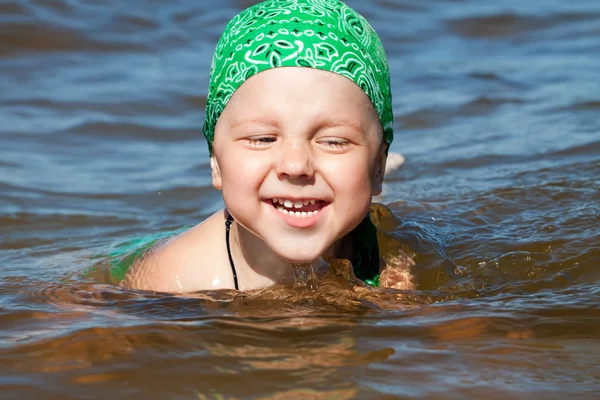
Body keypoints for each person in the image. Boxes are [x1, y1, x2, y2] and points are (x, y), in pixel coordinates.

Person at [119, 0, 414, 293]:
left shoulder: (394, 260)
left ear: (378, 167)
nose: (296, 166)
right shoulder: (171, 281)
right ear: (215, 163)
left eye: (333, 142)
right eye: (262, 139)